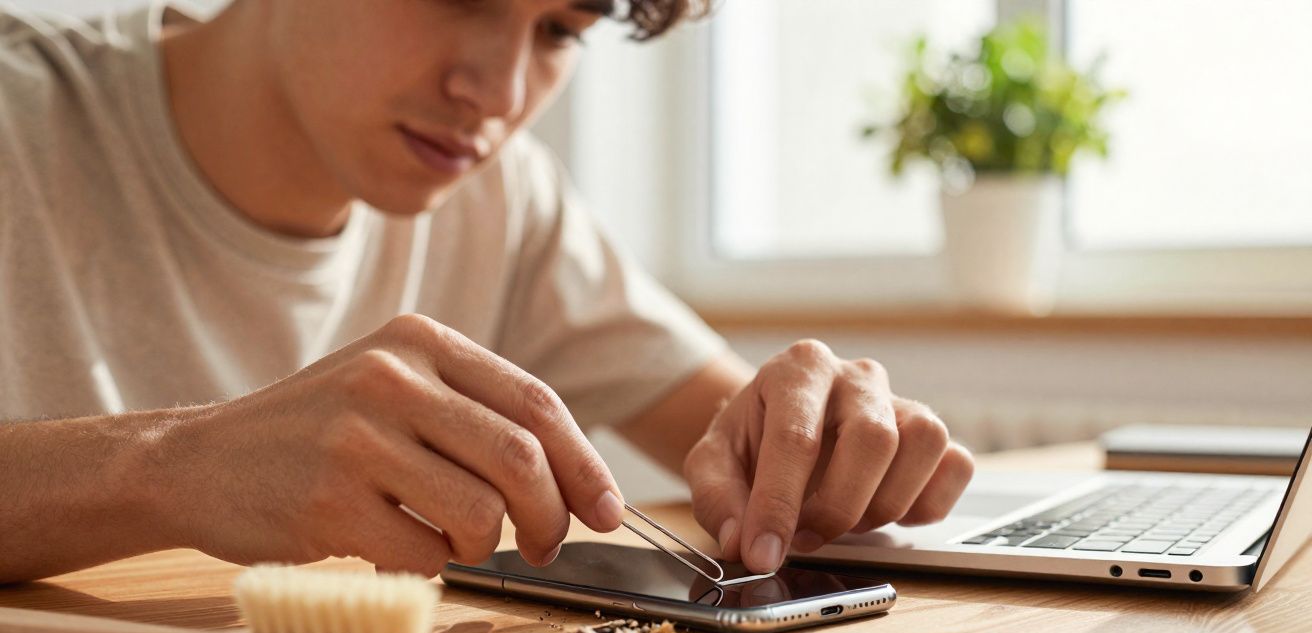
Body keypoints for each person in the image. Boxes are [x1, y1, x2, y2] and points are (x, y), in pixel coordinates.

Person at [0, 0, 974, 584]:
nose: (500, 91)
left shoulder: (502, 197)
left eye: (559, 28)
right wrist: (175, 464)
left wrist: (823, 433)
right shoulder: (20, 112)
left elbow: (737, 439)